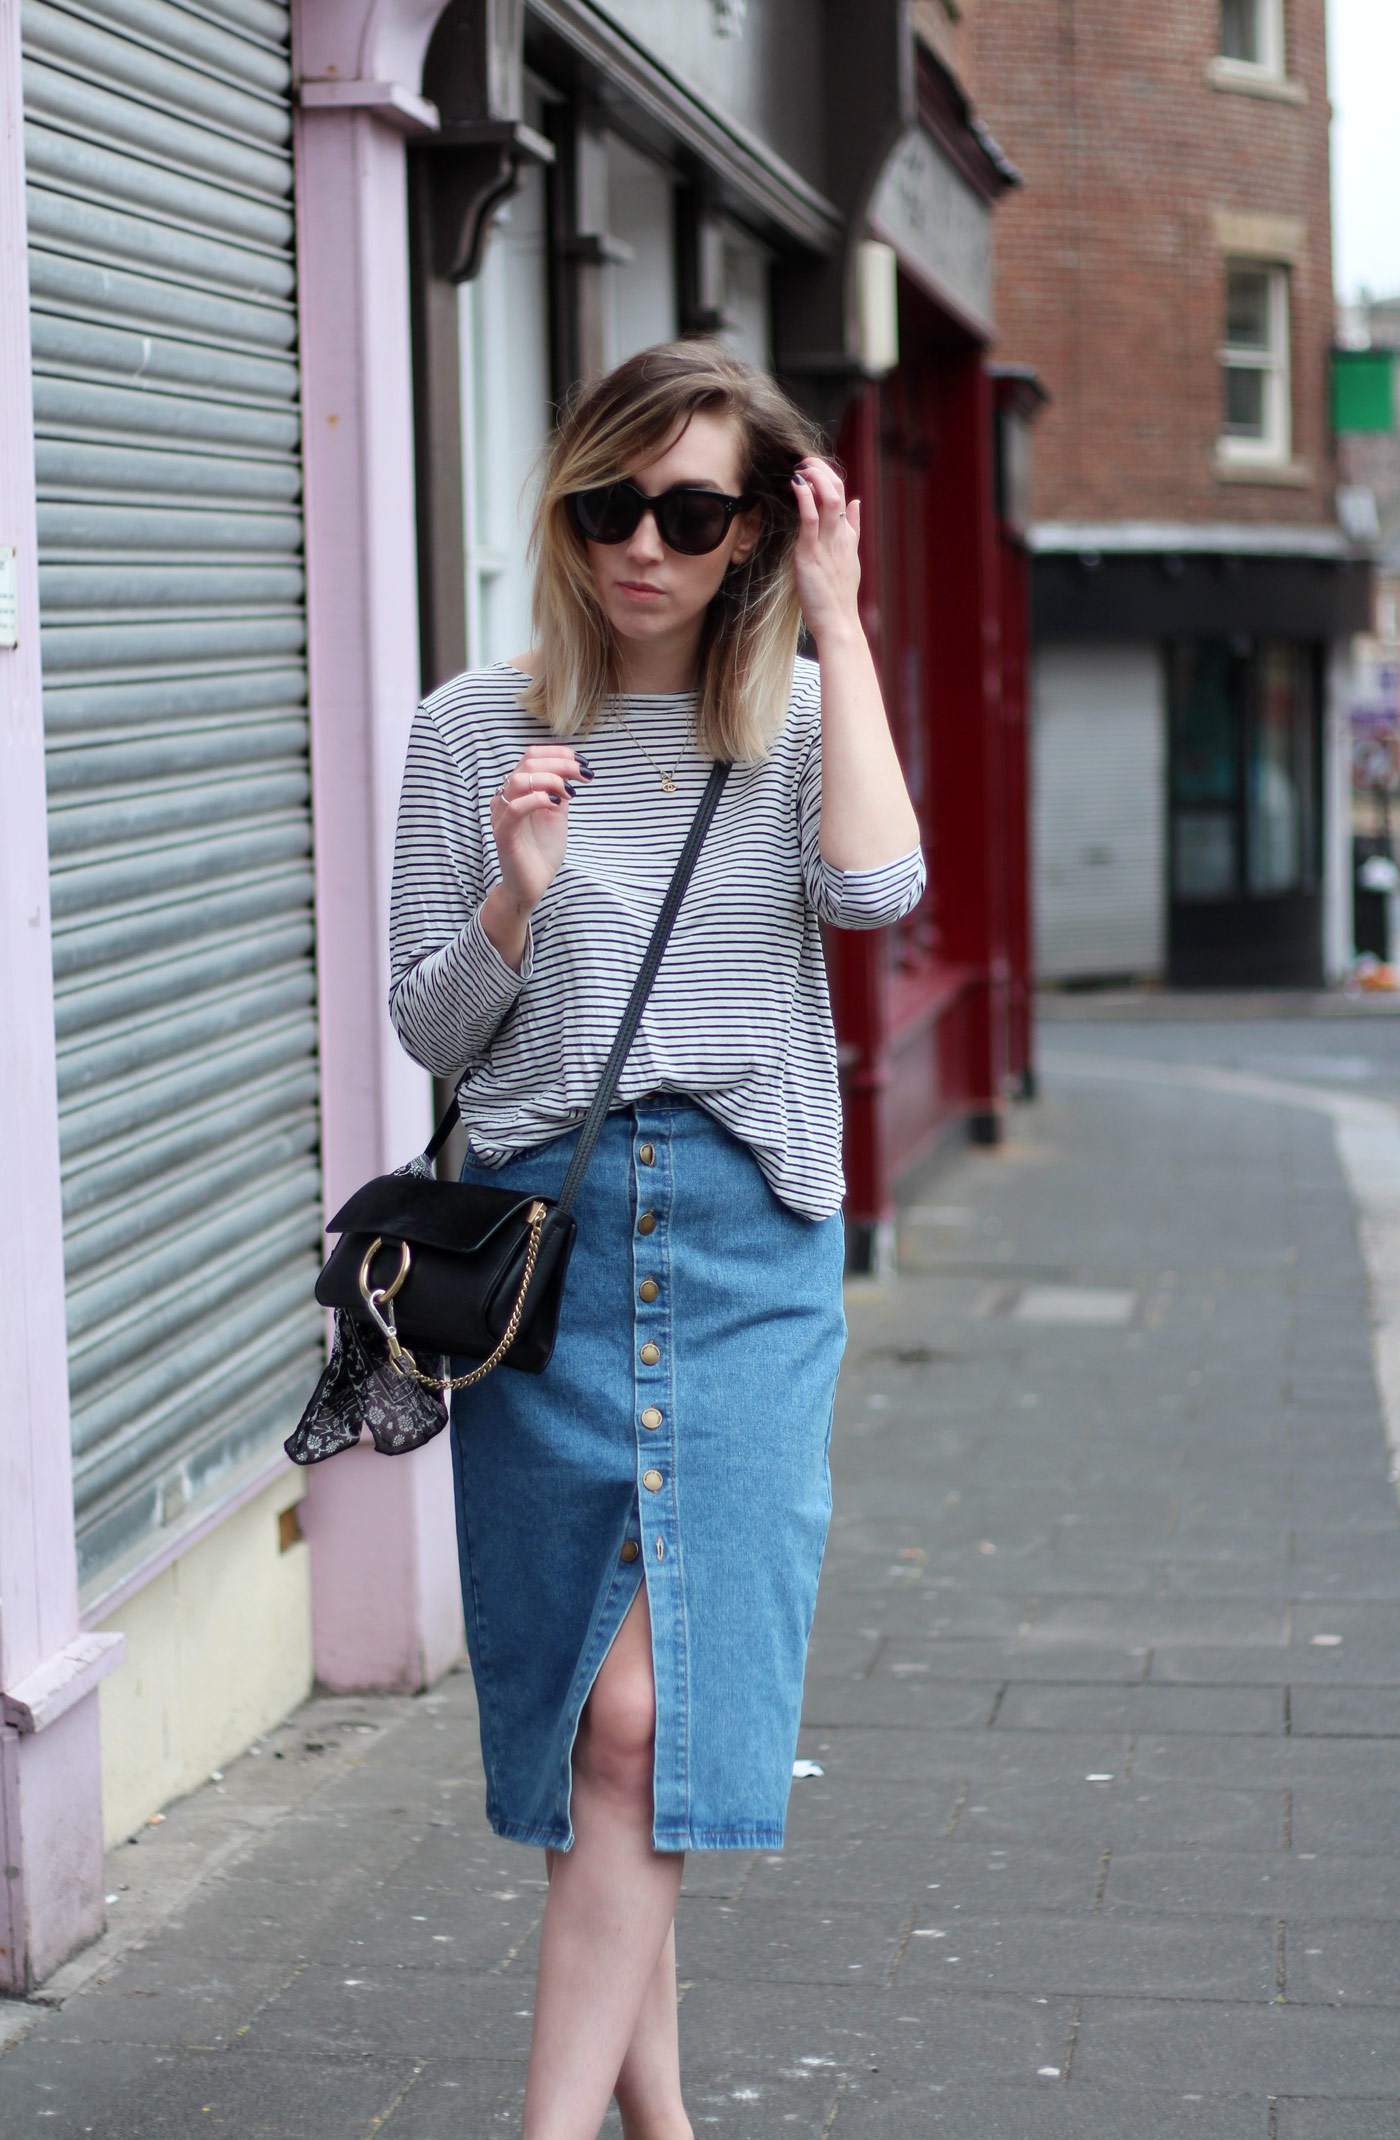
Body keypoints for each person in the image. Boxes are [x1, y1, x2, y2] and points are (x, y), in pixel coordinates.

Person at [386, 338, 926, 2140]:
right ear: (568, 506)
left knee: (650, 1721)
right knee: (607, 1735)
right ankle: (660, 2124)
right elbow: (433, 1033)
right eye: (612, 503)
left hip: (748, 1246)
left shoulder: (780, 723)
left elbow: (873, 893)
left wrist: (842, 628)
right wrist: (515, 896)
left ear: (753, 532)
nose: (644, 546)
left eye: (692, 514)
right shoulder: (475, 726)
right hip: (546, 1252)